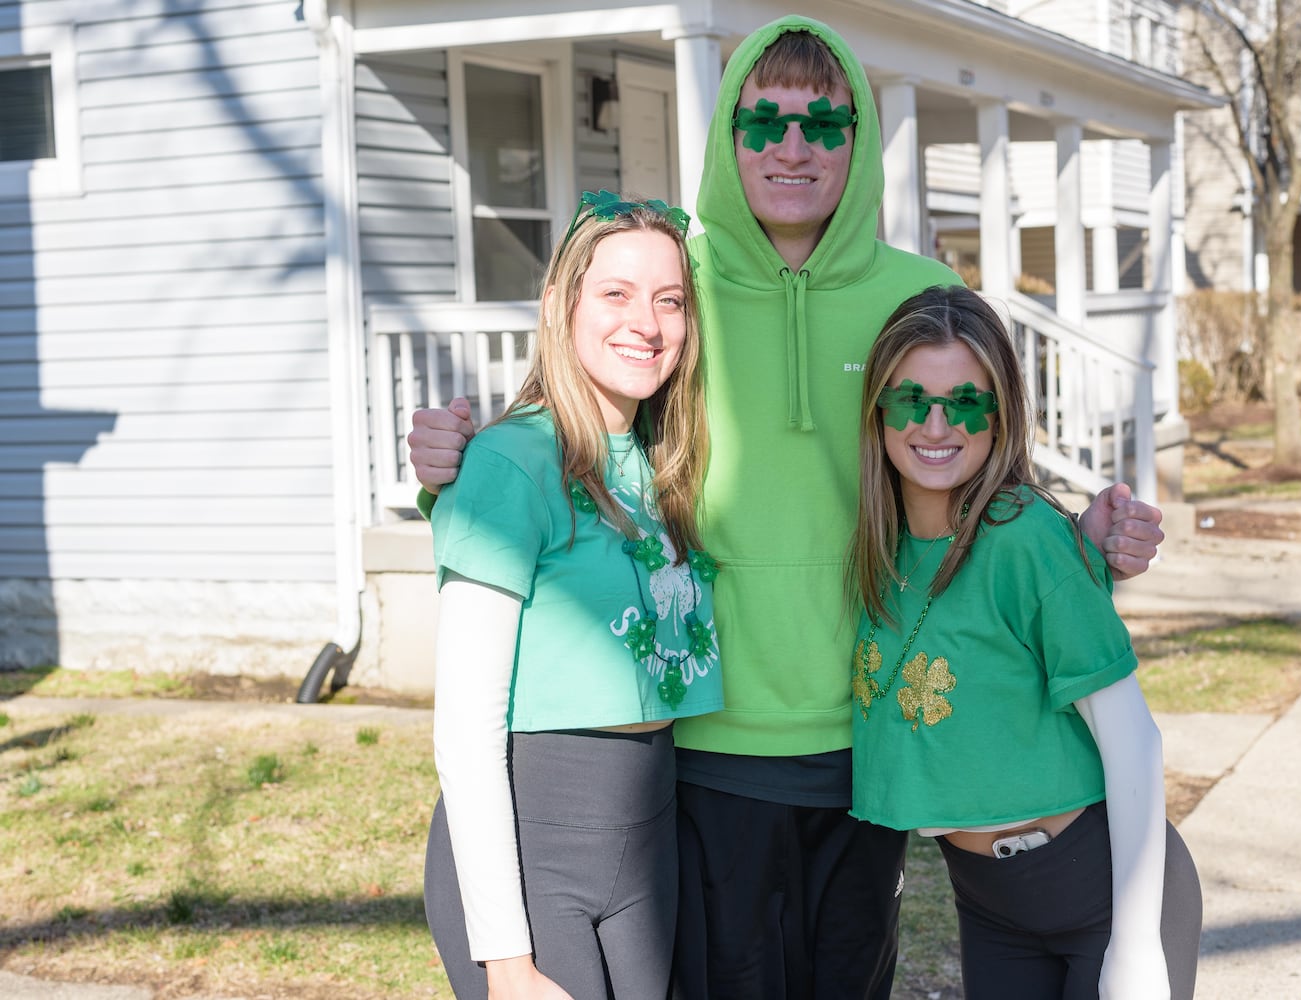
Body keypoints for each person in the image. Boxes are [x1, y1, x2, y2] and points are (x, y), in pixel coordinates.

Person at [410, 16, 1189, 999]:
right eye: (764, 119)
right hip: (699, 754)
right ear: (726, 134)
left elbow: (977, 478)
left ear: (858, 141)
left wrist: (1088, 535)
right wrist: (453, 456)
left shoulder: (919, 294)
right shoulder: (674, 283)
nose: (791, 145)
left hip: (866, 750)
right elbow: (581, 409)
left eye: (825, 123)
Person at [422, 192, 720, 1000]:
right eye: (616, 294)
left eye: (669, 300)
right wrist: (507, 961)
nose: (646, 324)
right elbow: (465, 728)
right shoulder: (511, 463)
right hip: (536, 848)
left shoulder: (662, 463)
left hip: (649, 836)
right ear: (560, 304)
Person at [848, 284, 1178, 999]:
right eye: (911, 400)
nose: (936, 424)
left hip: (1099, 894)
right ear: (878, 414)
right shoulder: (877, 546)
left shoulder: (1024, 536)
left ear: (1000, 418)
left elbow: (1134, 741)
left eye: (965, 402)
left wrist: (1137, 942)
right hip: (988, 903)